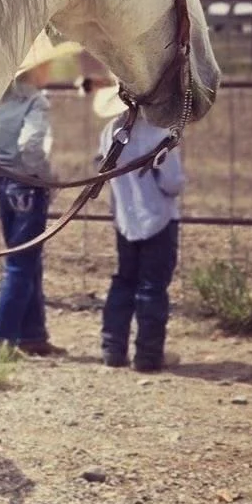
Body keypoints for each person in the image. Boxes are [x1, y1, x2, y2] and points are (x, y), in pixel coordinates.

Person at [95, 84, 185, 373]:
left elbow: (103, 168)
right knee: (152, 287)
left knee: (124, 280)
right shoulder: (161, 133)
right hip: (158, 218)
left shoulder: (111, 131)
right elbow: (173, 184)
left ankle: (113, 347)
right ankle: (148, 354)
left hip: (126, 219)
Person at [0, 74, 59, 357]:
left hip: (2, 182)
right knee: (22, 263)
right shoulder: (35, 101)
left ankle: (33, 335)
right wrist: (46, 178)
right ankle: (0, 335)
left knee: (26, 259)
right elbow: (31, 147)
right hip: (28, 185)